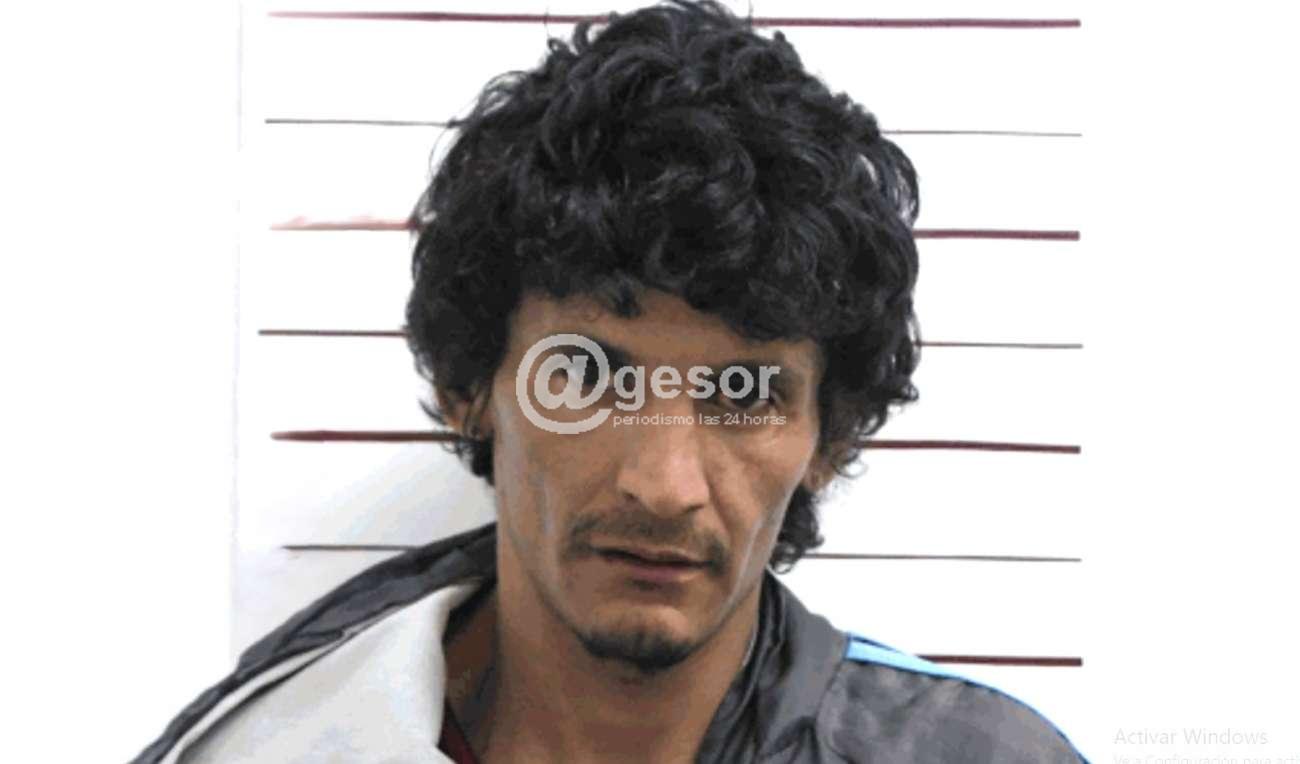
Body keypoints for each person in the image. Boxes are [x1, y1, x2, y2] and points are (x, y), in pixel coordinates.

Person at [134, 1, 1086, 761]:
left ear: (826, 438)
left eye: (744, 395)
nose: (663, 485)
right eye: (587, 380)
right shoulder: (266, 746)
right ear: (473, 384)